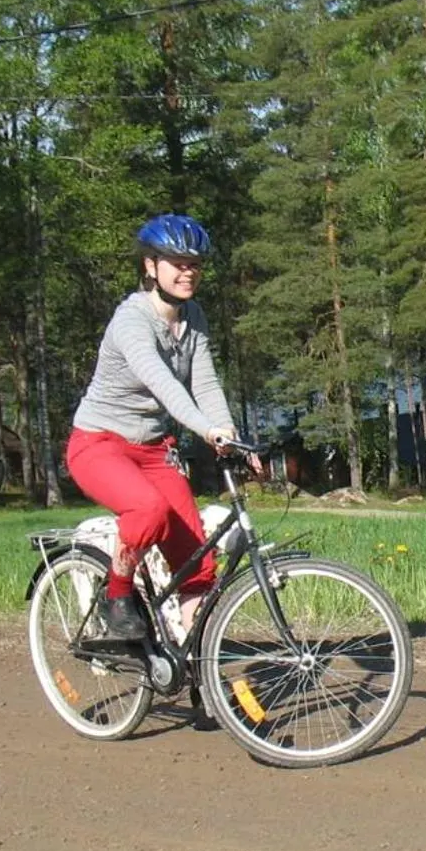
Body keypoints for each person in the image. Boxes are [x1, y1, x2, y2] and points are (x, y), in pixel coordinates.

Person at [65, 213, 259, 643]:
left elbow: (204, 381)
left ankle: (198, 668)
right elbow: (164, 384)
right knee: (147, 510)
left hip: (154, 450)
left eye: (194, 264)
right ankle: (116, 597)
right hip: (99, 444)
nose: (187, 272)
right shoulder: (131, 321)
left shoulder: (194, 317)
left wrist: (230, 433)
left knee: (197, 562)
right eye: (177, 262)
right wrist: (209, 433)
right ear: (151, 266)